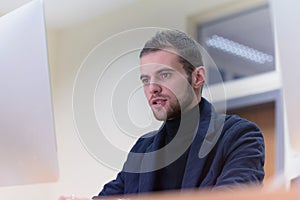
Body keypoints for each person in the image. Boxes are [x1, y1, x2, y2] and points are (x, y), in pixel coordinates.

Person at [61, 29, 265, 200]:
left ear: (198, 77)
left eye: (164, 75)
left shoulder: (240, 137)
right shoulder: (142, 150)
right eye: (145, 80)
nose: (152, 88)